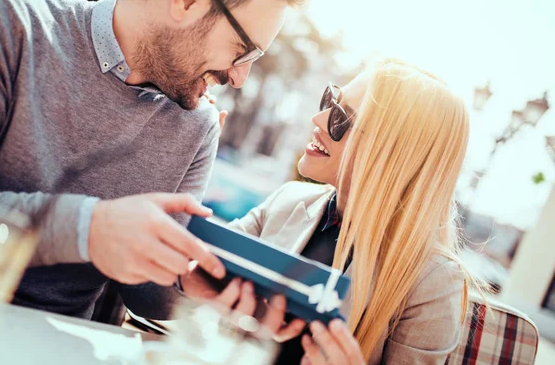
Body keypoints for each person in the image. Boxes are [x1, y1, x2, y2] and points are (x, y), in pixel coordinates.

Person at [0, 0, 309, 320]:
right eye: (243, 50)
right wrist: (88, 229)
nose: (239, 78)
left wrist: (190, 284)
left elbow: (147, 297)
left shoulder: (198, 126)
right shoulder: (8, 22)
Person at [182, 57, 472, 364]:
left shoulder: (434, 282)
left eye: (341, 118)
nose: (318, 119)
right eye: (330, 101)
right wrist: (193, 282)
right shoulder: (288, 201)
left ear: (391, 157)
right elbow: (190, 270)